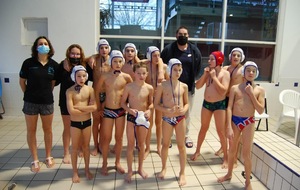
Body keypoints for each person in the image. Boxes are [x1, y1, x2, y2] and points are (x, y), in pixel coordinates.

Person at [218, 61, 265, 190]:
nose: (250, 73)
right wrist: (228, 126)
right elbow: (229, 108)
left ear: (256, 74)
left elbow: (260, 110)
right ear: (244, 72)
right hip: (235, 121)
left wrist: (251, 94)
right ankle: (228, 174)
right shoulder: (235, 88)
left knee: (246, 154)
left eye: (253, 71)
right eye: (248, 70)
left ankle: (247, 182)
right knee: (232, 150)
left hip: (249, 122)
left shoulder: (259, 90)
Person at [19, 36, 58, 173]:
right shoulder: (28, 63)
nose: (43, 45)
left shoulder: (53, 65)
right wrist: (28, 94)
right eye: (40, 43)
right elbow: (22, 82)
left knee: (48, 130)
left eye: (45, 43)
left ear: (49, 47)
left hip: (47, 102)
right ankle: (35, 159)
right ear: (36, 47)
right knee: (31, 130)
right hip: (30, 102)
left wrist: (44, 94)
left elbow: (52, 84)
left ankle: (48, 156)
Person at [161, 26, 202, 148]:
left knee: (186, 113)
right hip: (171, 88)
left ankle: (186, 135)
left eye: (185, 34)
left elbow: (198, 67)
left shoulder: (194, 51)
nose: (182, 36)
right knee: (169, 112)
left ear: (188, 36)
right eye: (180, 34)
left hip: (187, 88)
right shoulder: (169, 49)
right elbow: (161, 65)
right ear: (176, 35)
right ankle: (168, 137)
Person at [95, 50, 133, 175]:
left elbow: (132, 91)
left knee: (119, 138)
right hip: (108, 110)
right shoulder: (105, 76)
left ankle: (117, 162)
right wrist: (99, 107)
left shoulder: (127, 77)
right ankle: (104, 163)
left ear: (123, 62)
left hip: (121, 111)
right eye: (115, 61)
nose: (117, 63)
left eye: (120, 61)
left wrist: (130, 107)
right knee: (106, 138)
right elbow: (97, 91)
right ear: (111, 62)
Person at [190, 51, 230, 169]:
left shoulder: (225, 74)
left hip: (219, 104)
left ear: (218, 61)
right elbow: (197, 86)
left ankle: (226, 157)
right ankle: (197, 151)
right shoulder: (208, 72)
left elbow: (223, 91)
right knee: (203, 128)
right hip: (207, 104)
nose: (209, 61)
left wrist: (214, 77)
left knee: (220, 131)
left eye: (212, 59)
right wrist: (205, 75)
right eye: (209, 59)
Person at [154, 58, 189, 187]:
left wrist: (183, 110)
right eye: (175, 70)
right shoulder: (162, 86)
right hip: (167, 118)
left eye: (179, 70)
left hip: (180, 119)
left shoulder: (184, 86)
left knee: (181, 146)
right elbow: (156, 105)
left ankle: (182, 172)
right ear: (169, 70)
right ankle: (163, 168)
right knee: (165, 144)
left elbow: (187, 103)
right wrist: (167, 110)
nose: (177, 72)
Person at [121, 62, 154, 183]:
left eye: (143, 73)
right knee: (130, 145)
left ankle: (140, 168)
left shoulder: (149, 88)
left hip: (143, 117)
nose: (141, 75)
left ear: (147, 74)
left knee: (141, 145)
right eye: (138, 73)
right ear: (134, 73)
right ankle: (130, 171)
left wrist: (149, 110)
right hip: (131, 117)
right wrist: (129, 110)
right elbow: (122, 103)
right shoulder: (129, 87)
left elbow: (151, 103)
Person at [56, 44, 88, 164]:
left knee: (80, 126)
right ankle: (66, 152)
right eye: (73, 53)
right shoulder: (63, 66)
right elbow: (54, 81)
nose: (75, 56)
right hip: (65, 101)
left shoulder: (84, 66)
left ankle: (80, 148)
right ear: (68, 54)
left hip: (81, 101)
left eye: (78, 54)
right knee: (68, 127)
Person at [66, 65, 97, 183]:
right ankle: (75, 172)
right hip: (75, 123)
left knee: (86, 147)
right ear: (74, 77)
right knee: (74, 148)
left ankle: (87, 169)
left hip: (87, 123)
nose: (81, 78)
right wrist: (86, 109)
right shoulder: (69, 91)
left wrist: (79, 107)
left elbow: (94, 107)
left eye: (84, 76)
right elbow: (71, 111)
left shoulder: (90, 90)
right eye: (78, 76)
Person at [88, 39, 111, 156]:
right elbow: (82, 58)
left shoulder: (113, 61)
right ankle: (95, 146)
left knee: (105, 122)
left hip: (107, 94)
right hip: (95, 93)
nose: (104, 50)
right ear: (98, 49)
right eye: (101, 48)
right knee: (96, 120)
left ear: (109, 49)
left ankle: (102, 145)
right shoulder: (94, 60)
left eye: (106, 48)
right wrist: (92, 56)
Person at [144, 46, 168, 158]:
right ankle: (147, 147)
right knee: (149, 123)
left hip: (160, 98)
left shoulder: (164, 67)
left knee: (159, 123)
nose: (157, 57)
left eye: (159, 55)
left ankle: (159, 146)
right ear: (149, 56)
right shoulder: (145, 66)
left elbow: (169, 81)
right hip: (148, 98)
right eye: (154, 55)